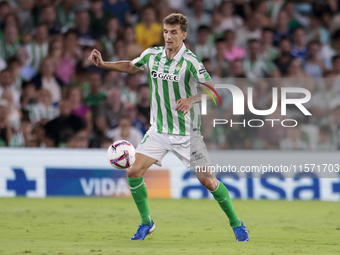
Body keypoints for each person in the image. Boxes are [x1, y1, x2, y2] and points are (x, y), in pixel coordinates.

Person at [89, 13, 249, 242]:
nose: (168, 36)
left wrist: (190, 100)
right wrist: (104, 64)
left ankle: (237, 223)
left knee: (209, 182)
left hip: (188, 134)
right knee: (133, 171)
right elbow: (132, 66)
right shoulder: (152, 55)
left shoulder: (191, 62)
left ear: (183, 35)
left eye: (174, 32)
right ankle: (146, 222)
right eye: (166, 32)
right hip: (159, 131)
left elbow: (212, 91)